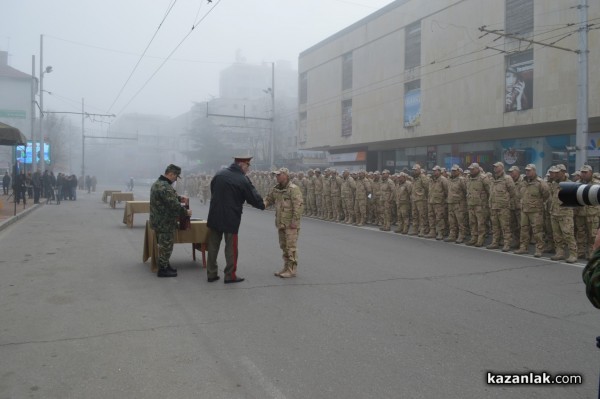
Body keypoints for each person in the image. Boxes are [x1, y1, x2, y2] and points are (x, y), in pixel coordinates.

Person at [206, 156, 265, 284]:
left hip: (215, 214)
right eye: (248, 166)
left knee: (213, 245)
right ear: (242, 164)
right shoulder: (242, 179)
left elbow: (212, 190)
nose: (248, 169)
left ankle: (211, 273)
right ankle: (230, 275)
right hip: (231, 217)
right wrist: (262, 204)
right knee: (231, 247)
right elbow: (252, 197)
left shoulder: (219, 174)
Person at [149, 164, 192, 278]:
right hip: (165, 222)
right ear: (170, 174)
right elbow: (173, 205)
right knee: (166, 246)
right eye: (176, 176)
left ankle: (166, 265)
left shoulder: (158, 184)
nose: (176, 179)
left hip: (159, 221)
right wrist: (185, 212)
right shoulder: (165, 186)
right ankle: (162, 270)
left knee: (164, 245)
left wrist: (179, 198)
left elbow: (166, 198)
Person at [264, 168, 304, 278]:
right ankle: (286, 267)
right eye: (276, 175)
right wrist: (260, 204)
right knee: (284, 247)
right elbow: (269, 199)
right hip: (281, 223)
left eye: (278, 175)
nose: (276, 177)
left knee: (291, 247)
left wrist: (295, 221)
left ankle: (292, 270)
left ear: (285, 175)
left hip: (291, 224)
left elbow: (299, 206)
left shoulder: (293, 189)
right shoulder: (276, 189)